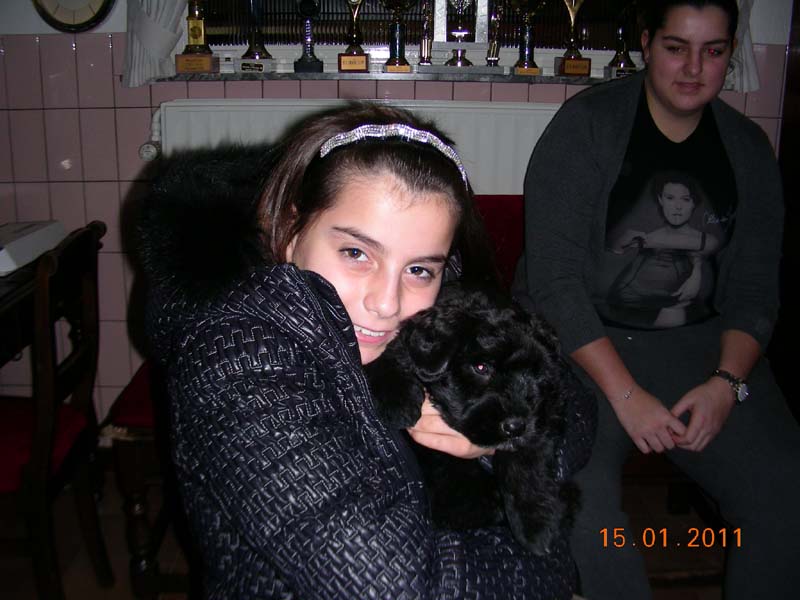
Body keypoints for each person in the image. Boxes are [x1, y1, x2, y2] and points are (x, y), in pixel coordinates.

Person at [139, 103, 594, 599]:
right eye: (356, 253)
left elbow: (574, 405)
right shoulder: (237, 361)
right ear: (290, 231)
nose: (387, 302)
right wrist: (550, 556)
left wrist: (490, 446)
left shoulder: (438, 306)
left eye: (419, 269)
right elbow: (393, 588)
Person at [512, 1, 800, 598]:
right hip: (582, 346)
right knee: (582, 502)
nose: (694, 68)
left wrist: (727, 383)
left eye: (713, 51)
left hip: (702, 345)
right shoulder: (587, 126)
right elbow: (554, 284)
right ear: (646, 44)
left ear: (730, 54)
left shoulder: (748, 148)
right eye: (676, 48)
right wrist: (626, 396)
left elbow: (755, 290)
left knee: (786, 488)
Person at [606, 171, 718, 327]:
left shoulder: (707, 240)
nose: (677, 206)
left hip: (673, 306)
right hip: (626, 300)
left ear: (694, 203)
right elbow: (613, 256)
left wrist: (697, 271)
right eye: (670, 198)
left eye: (685, 199)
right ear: (660, 200)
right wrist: (619, 243)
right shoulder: (645, 235)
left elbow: (705, 254)